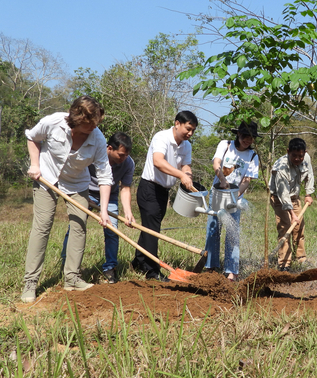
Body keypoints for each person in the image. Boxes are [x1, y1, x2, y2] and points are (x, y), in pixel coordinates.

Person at [22, 95, 113, 303]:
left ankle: (72, 278)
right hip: (46, 178)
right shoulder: (54, 122)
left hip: (76, 184)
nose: (93, 127)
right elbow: (32, 137)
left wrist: (104, 210)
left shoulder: (98, 139)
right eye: (89, 124)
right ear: (77, 119)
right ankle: (30, 282)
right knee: (42, 226)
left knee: (79, 225)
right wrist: (35, 165)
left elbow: (104, 175)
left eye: (96, 123)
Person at [61, 132, 135, 284]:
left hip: (110, 196)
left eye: (126, 155)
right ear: (109, 148)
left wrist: (128, 212)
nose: (124, 158)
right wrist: (83, 196)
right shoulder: (92, 155)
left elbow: (125, 188)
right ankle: (67, 264)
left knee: (113, 230)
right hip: (84, 192)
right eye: (121, 154)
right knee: (76, 227)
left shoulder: (128, 163)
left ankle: (110, 268)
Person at [132, 111, 197, 281]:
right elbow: (158, 162)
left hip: (163, 192)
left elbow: (186, 165)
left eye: (193, 131)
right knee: (153, 230)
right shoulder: (161, 137)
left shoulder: (186, 145)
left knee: (150, 226)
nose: (190, 133)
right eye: (188, 129)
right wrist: (181, 175)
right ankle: (152, 272)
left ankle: (138, 261)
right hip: (149, 188)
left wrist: (187, 175)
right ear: (177, 124)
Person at [204, 122, 260, 281]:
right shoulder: (226, 145)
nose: (247, 140)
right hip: (217, 193)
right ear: (238, 135)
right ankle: (211, 267)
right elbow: (216, 163)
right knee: (213, 230)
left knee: (232, 233)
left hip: (235, 198)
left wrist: (234, 196)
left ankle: (231, 271)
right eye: (245, 136)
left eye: (251, 138)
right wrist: (222, 179)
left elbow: (247, 180)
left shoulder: (253, 156)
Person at [269, 138, 315, 271]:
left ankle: (301, 258)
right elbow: (283, 195)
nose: (297, 159)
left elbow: (309, 175)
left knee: (299, 228)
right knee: (285, 228)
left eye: (300, 156)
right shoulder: (281, 167)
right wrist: (292, 214)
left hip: (295, 197)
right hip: (279, 199)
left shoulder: (306, 158)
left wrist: (308, 194)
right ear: (288, 152)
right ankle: (284, 263)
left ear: (304, 153)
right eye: (294, 155)